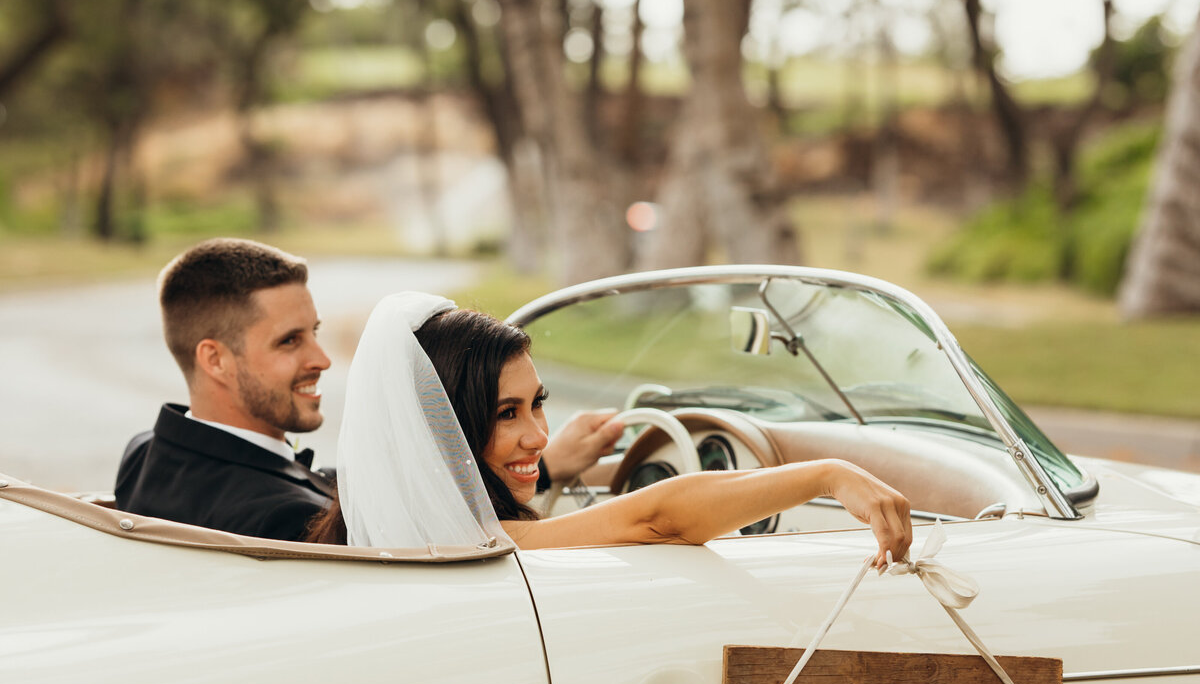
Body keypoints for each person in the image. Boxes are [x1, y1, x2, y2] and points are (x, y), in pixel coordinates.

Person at [308, 292, 913, 563]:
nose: (538, 436)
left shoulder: (392, 528)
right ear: (450, 432)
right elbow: (657, 519)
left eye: (536, 404)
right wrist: (829, 476)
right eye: (505, 415)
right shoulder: (473, 547)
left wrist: (553, 472)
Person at [116, 240, 621, 541]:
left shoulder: (149, 454)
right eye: (290, 341)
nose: (322, 359)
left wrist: (546, 464)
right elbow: (373, 507)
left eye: (314, 331)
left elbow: (331, 479)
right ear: (215, 359)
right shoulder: (284, 521)